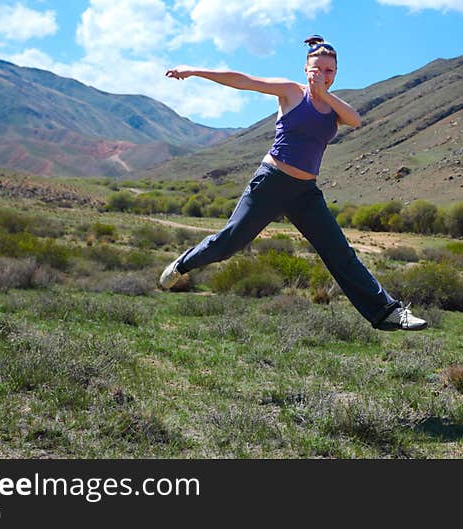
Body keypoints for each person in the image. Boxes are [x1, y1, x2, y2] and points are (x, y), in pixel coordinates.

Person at [158, 35, 427, 331]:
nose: (322, 75)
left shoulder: (334, 107)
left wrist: (323, 94)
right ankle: (182, 265)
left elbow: (356, 120)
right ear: (305, 69)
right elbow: (243, 80)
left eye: (329, 71)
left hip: (305, 194)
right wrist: (195, 70)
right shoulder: (290, 92)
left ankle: (388, 312)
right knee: (229, 242)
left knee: (340, 254)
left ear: (335, 74)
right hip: (271, 181)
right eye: (317, 69)